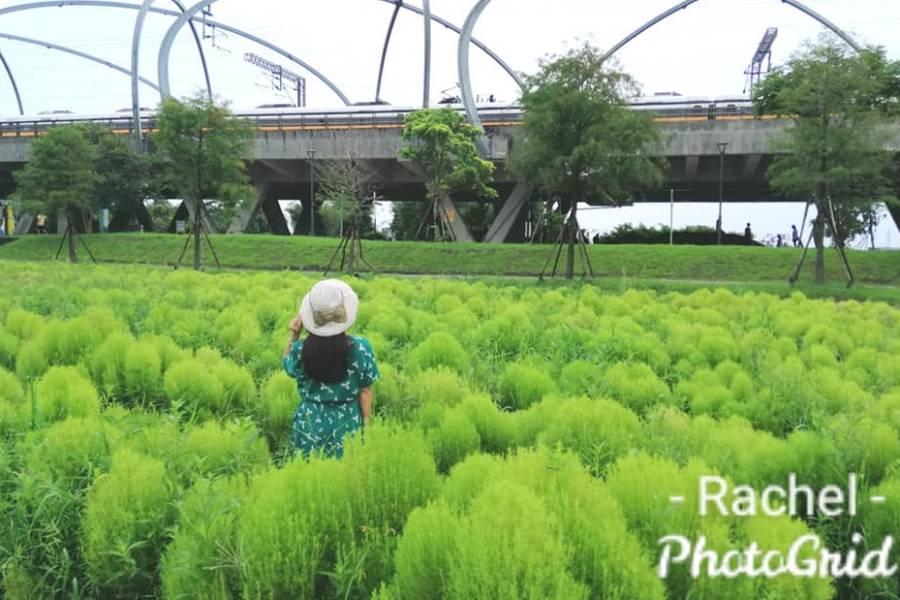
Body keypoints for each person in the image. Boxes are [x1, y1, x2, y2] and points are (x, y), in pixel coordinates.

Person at [282, 279, 379, 459]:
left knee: (310, 476)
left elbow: (287, 366)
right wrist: (367, 427)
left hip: (310, 423)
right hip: (347, 423)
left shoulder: (300, 350)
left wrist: (294, 335)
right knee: (345, 477)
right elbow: (365, 391)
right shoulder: (361, 348)